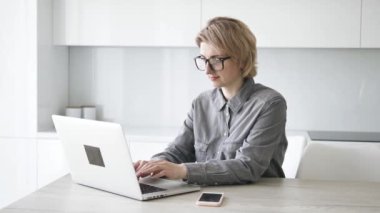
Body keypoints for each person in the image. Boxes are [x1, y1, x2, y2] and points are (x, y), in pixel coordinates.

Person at [134, 17, 287, 185]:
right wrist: (152, 165)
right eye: (203, 59)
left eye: (216, 60)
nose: (207, 69)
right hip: (207, 196)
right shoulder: (201, 103)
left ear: (242, 60)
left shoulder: (270, 104)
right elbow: (177, 151)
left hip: (259, 201)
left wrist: (183, 170)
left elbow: (248, 166)